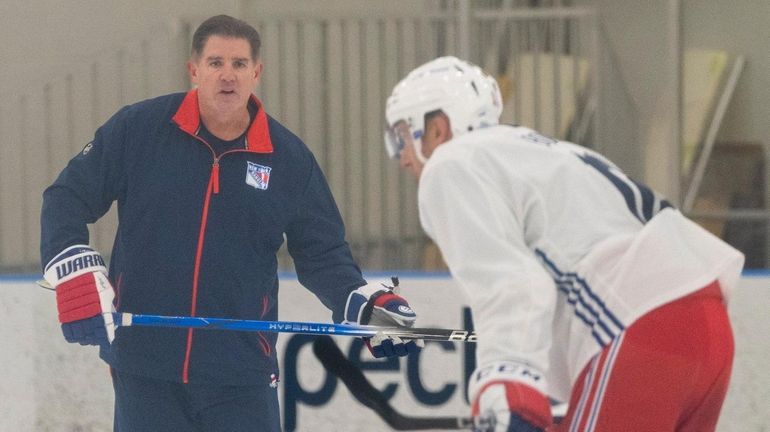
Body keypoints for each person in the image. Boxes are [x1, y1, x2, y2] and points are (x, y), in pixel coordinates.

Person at [40, 14, 419, 432]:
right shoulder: (139, 129)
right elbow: (67, 197)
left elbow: (322, 253)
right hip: (145, 367)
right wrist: (71, 262)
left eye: (239, 64)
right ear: (194, 70)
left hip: (241, 373)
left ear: (256, 73)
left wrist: (361, 302)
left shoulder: (288, 158)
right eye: (216, 62)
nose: (227, 75)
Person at [383, 56, 744, 432]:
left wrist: (509, 389)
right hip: (707, 329)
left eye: (401, 137)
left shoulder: (451, 164)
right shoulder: (540, 151)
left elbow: (513, 286)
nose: (401, 158)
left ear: (437, 128)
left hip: (639, 327)